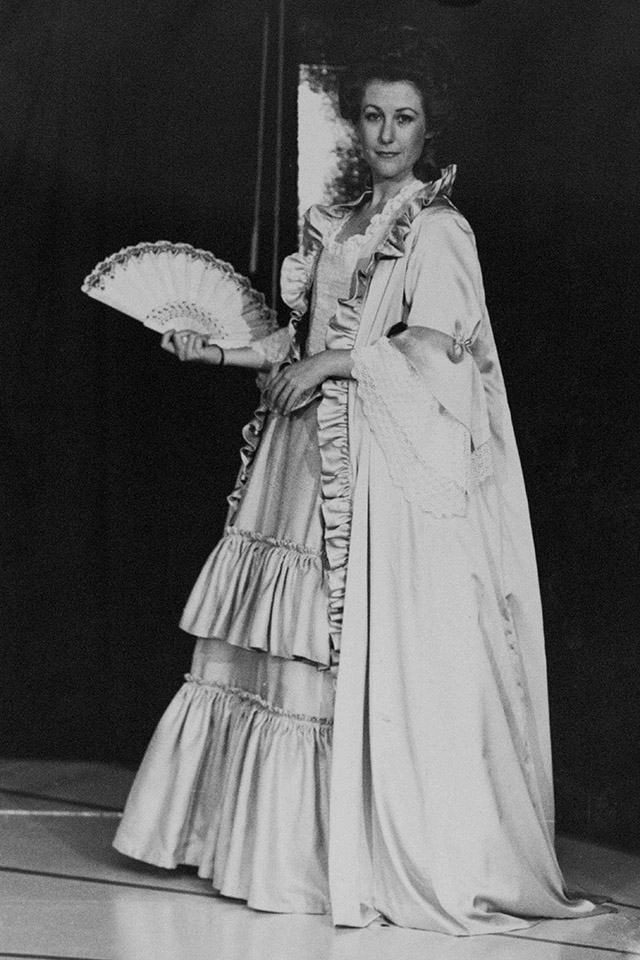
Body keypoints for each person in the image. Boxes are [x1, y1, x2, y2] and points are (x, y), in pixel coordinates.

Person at [114, 26, 603, 934]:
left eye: (404, 119)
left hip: (371, 472)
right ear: (356, 122)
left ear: (428, 131)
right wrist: (213, 347)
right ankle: (255, 850)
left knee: (337, 654)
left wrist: (335, 363)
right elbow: (291, 346)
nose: (386, 134)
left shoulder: (441, 231)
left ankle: (335, 859)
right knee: (276, 653)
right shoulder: (336, 224)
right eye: (374, 116)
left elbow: (433, 349)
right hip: (301, 463)